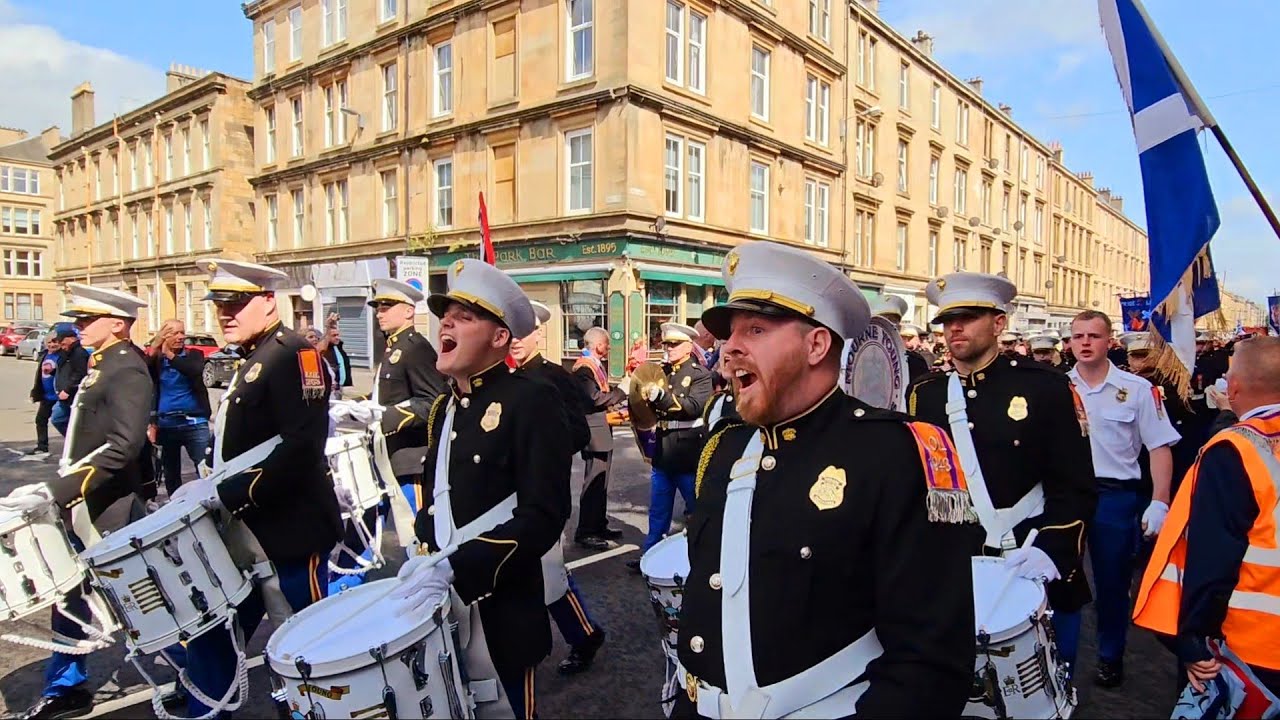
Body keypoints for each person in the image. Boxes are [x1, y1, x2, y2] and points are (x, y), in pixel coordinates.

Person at [674, 240, 979, 718]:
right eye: (731, 333)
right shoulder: (725, 447)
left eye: (755, 329)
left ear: (816, 345)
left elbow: (930, 664)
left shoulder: (894, 452)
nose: (730, 348)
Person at [396, 258, 572, 720]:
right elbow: (439, 497)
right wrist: (424, 548)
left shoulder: (531, 399)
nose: (446, 321)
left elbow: (544, 515)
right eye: (446, 313)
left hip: (504, 614)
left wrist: (460, 565)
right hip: (442, 614)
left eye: (465, 315)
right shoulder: (443, 407)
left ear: (500, 338)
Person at [172, 259, 342, 717]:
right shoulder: (256, 356)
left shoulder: (294, 354)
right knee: (214, 636)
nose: (226, 314)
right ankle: (205, 710)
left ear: (269, 302)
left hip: (288, 530)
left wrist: (223, 494)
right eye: (221, 306)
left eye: (238, 304)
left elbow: (303, 445)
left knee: (302, 647)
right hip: (242, 534)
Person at [908, 272, 1097, 674]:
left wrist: (1053, 549)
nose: (954, 328)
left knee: (1043, 684)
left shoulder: (1045, 387)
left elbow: (1075, 484)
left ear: (998, 323)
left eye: (969, 316)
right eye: (947, 320)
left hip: (1032, 553)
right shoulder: (925, 394)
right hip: (958, 563)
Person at [4, 284, 153, 720]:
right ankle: (67, 685)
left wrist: (59, 489)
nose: (79, 326)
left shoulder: (126, 368)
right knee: (69, 595)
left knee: (139, 601)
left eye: (89, 320)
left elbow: (123, 446)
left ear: (119, 324)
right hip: (83, 502)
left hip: (108, 506)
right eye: (80, 320)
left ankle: (194, 674)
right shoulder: (101, 365)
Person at [1134, 336, 1280, 698]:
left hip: (1254, 644)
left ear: (1232, 387)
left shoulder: (1236, 449)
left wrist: (1192, 638)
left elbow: (1212, 554)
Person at [1067, 309, 1182, 688]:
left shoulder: (1135, 390)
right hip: (1065, 495)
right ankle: (1056, 660)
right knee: (1055, 579)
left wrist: (1160, 501)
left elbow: (1160, 447)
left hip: (1114, 497)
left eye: (1093, 336)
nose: (1085, 343)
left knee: (1112, 583)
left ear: (1109, 341)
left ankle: (1109, 656)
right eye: (1078, 336)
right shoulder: (1055, 387)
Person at [510, 300, 608, 676]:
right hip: (505, 495)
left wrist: (537, 451)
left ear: (539, 333)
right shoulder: (500, 376)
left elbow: (579, 431)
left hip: (541, 494)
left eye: (526, 331)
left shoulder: (554, 376)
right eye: (512, 330)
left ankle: (584, 635)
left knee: (549, 575)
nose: (518, 339)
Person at [626, 321, 713, 573]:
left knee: (698, 511)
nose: (669, 348)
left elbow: (694, 407)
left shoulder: (700, 374)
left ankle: (704, 558)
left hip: (687, 453)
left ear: (688, 346)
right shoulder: (660, 371)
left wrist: (660, 397)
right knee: (658, 513)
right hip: (663, 452)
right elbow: (647, 409)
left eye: (674, 344)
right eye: (667, 344)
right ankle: (649, 558)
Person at [368, 278, 448, 511]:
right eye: (378, 309)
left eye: (386, 308)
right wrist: (359, 406)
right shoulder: (393, 347)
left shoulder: (416, 348)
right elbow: (385, 394)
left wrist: (386, 417)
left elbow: (433, 401)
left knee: (413, 531)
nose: (379, 314)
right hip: (385, 453)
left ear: (408, 311)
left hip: (409, 458)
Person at [572, 326, 628, 550]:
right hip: (593, 432)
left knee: (601, 482)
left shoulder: (593, 365)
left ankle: (598, 524)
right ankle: (585, 531)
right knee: (593, 483)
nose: (608, 348)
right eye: (606, 344)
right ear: (597, 345)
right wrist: (622, 391)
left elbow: (602, 392)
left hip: (601, 429)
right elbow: (595, 399)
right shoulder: (584, 369)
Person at [1123, 332, 1201, 494]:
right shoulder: (1121, 383)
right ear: (1129, 359)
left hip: (1160, 451)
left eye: (1145, 356)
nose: (1141, 362)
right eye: (1136, 357)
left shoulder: (1170, 382)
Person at [146, 319, 212, 498]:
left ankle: (209, 502)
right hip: (166, 424)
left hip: (194, 422)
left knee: (205, 468)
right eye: (174, 333)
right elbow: (143, 366)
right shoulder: (157, 360)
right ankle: (176, 505)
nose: (181, 337)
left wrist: (170, 355)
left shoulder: (194, 355)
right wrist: (157, 344)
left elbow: (193, 370)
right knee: (170, 472)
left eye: (182, 332)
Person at [26, 334, 62, 459]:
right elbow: (39, 376)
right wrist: (35, 392)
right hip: (47, 396)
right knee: (40, 420)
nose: (52, 345)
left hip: (60, 396)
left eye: (55, 342)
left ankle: (75, 447)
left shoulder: (64, 356)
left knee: (62, 421)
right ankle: (42, 446)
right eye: (49, 343)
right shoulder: (44, 355)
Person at [50, 324, 89, 436]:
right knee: (61, 419)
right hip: (64, 395)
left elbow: (80, 374)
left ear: (70, 339)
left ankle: (76, 441)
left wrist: (67, 390)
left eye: (63, 343)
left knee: (59, 419)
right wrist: (52, 371)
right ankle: (73, 441)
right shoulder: (67, 352)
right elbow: (65, 369)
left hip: (71, 395)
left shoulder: (79, 353)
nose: (62, 346)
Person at [323, 317, 353, 390]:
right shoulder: (325, 351)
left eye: (338, 335)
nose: (337, 337)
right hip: (332, 388)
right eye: (334, 335)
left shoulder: (339, 348)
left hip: (342, 387)